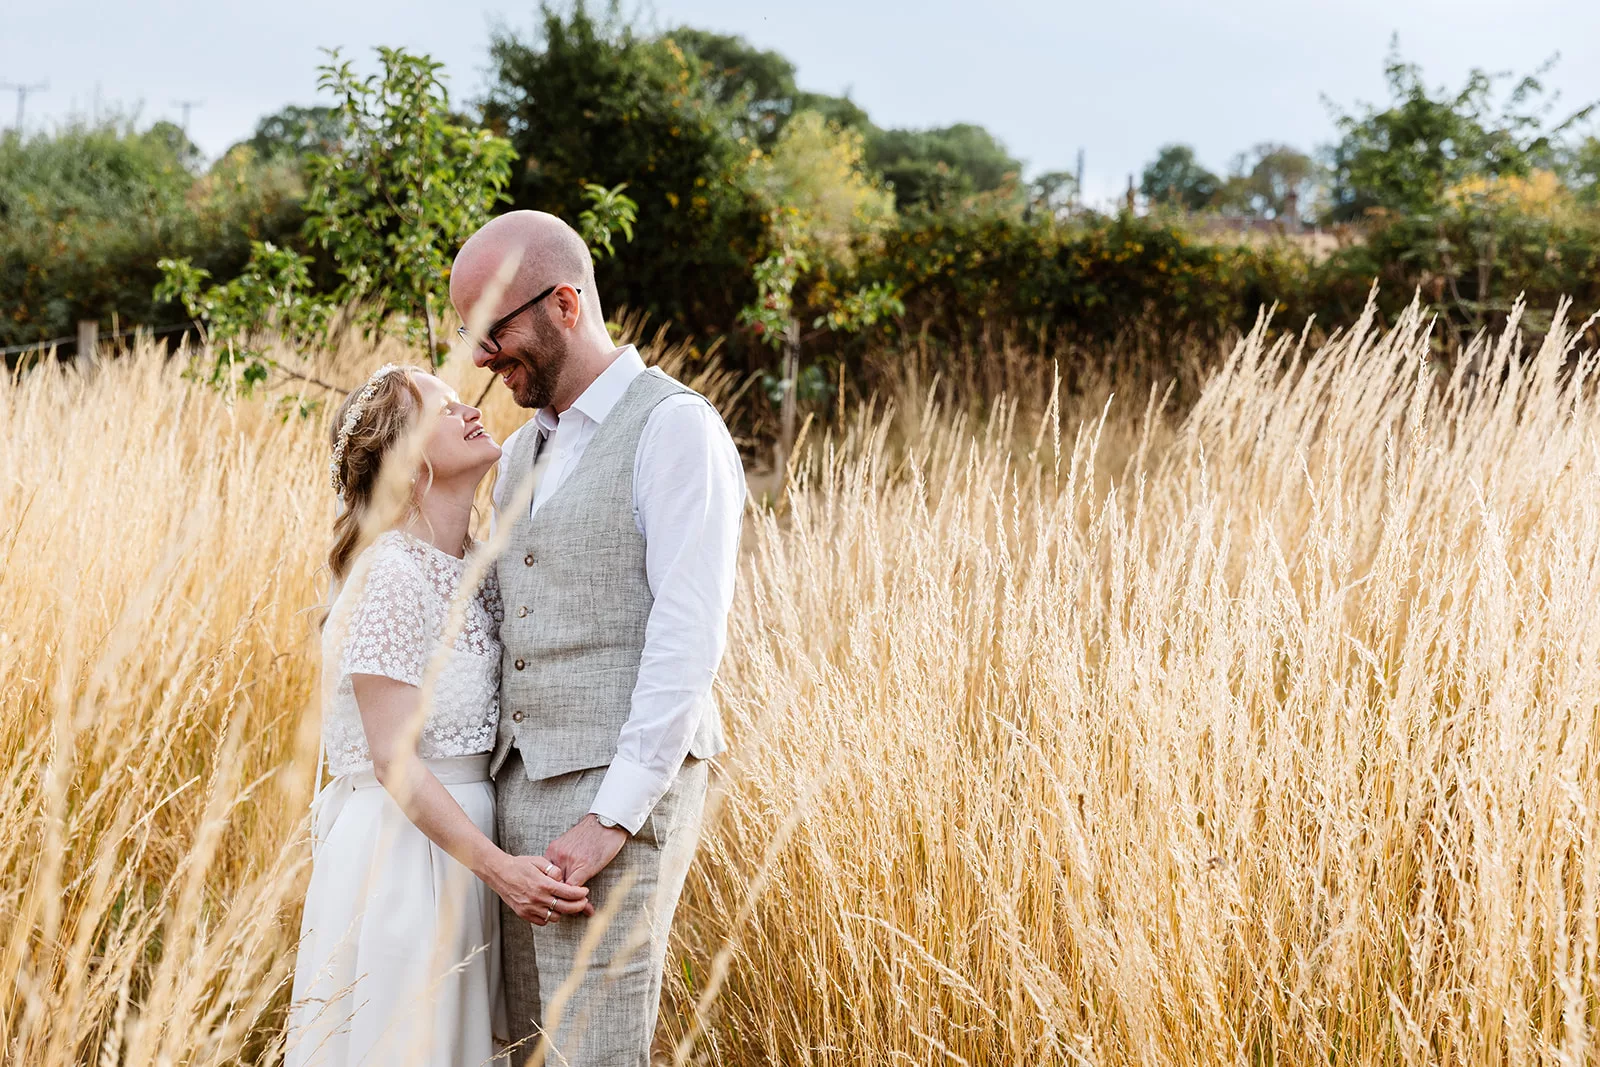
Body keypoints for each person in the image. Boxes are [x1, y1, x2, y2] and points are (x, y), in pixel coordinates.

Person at [448, 210, 746, 1066]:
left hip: (612, 800)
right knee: (527, 1048)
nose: (478, 357)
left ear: (565, 304)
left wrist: (609, 818)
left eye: (491, 330)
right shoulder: (515, 458)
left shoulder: (675, 428)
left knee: (597, 1051)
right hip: (513, 795)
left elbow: (687, 641)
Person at [286, 364, 592, 1067]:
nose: (469, 409)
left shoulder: (482, 567)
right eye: (441, 408)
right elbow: (393, 755)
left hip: (471, 852)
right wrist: (500, 870)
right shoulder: (389, 574)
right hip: (401, 854)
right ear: (406, 456)